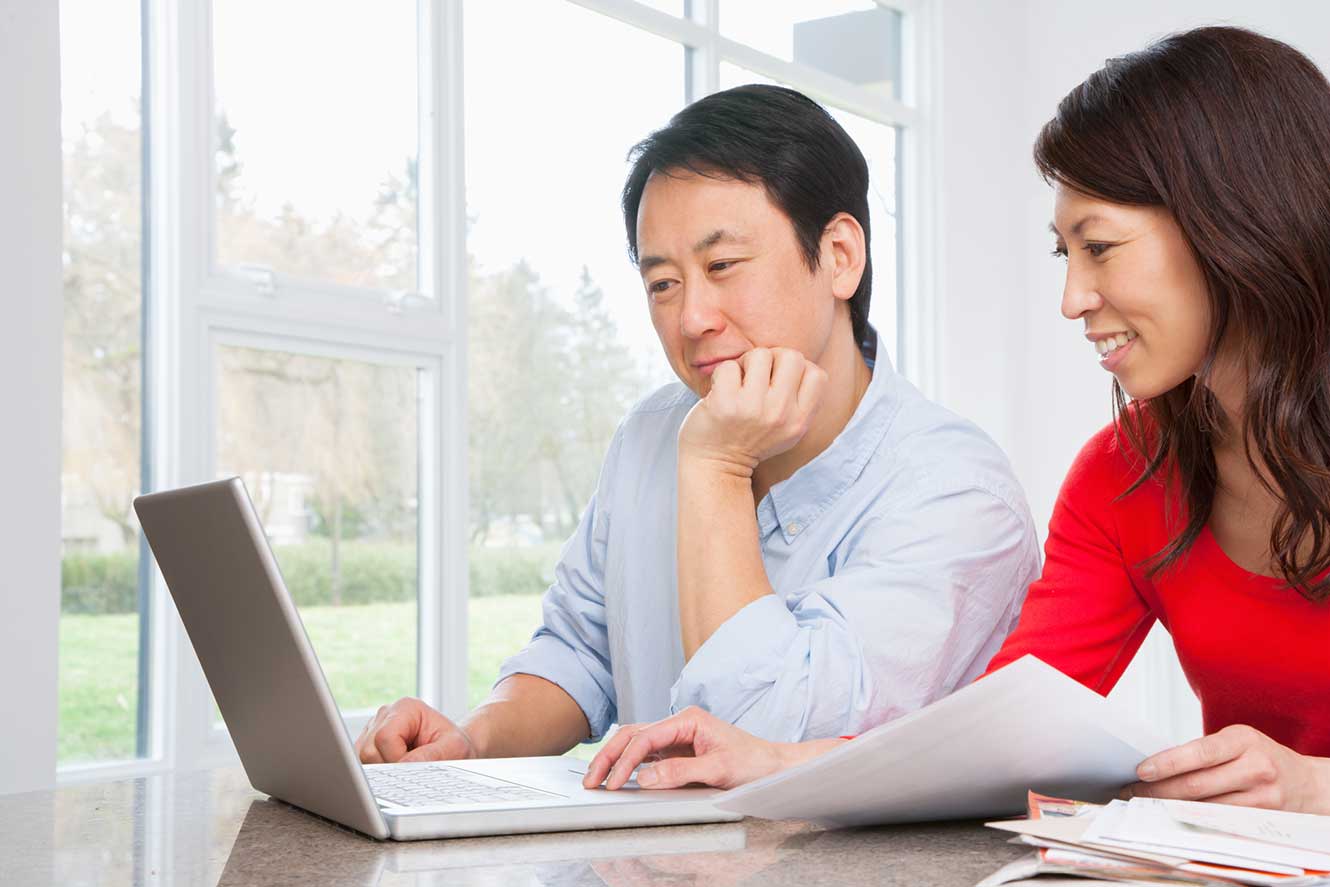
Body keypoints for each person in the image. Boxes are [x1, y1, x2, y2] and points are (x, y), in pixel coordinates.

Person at [582, 27, 1330, 814]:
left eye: (1101, 247)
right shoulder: (1125, 475)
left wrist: (1315, 785)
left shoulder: (949, 476)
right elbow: (990, 742)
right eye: (1064, 255)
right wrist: (777, 762)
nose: (1072, 298)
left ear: (1236, 224)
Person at [354, 85, 1040, 765]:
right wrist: (472, 739)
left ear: (839, 256)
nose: (691, 318)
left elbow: (771, 747)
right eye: (663, 283)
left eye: (721, 266)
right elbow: (577, 651)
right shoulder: (650, 434)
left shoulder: (956, 492)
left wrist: (716, 467)